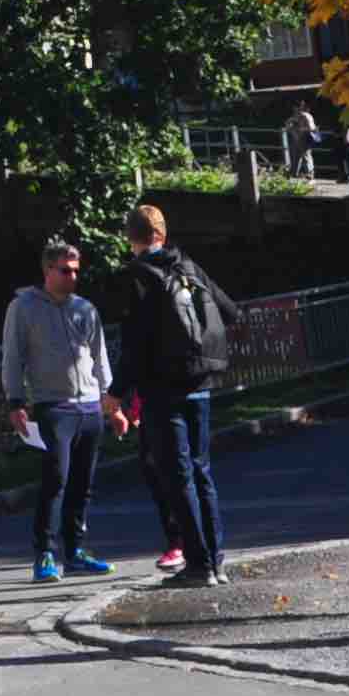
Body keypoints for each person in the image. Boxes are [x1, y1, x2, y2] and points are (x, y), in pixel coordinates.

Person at [112, 199, 233, 585]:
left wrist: (116, 393)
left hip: (163, 390)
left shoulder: (138, 276)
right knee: (202, 472)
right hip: (202, 384)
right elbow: (230, 312)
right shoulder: (189, 266)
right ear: (162, 234)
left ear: (132, 238)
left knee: (177, 476)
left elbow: (134, 344)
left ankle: (197, 566)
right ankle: (216, 561)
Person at [2, 236, 117, 583]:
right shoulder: (23, 307)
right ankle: (45, 555)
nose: (72, 277)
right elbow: (13, 356)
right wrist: (16, 401)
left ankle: (77, 551)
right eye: (65, 271)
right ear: (47, 270)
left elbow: (100, 356)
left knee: (83, 484)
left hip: (90, 405)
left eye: (76, 271)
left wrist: (111, 400)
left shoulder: (85, 309)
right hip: (55, 406)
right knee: (57, 480)